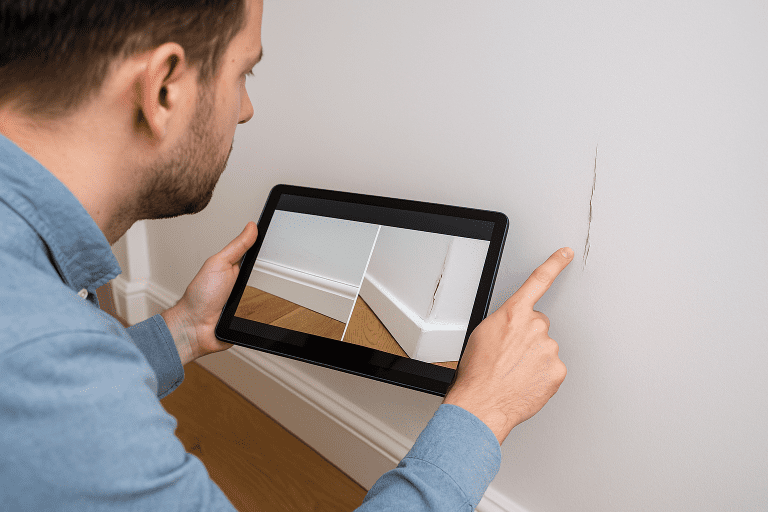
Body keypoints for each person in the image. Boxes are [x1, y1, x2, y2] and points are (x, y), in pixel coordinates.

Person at [0, 0, 572, 510]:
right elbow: (51, 380)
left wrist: (184, 329)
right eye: (243, 71)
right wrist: (482, 413)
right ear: (164, 87)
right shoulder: (52, 369)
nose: (245, 109)